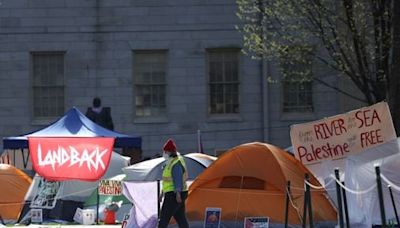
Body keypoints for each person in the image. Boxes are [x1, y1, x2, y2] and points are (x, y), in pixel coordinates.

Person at [158, 139, 189, 228]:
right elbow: (167, 180)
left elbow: (177, 178)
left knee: (164, 218)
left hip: (174, 194)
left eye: (165, 151)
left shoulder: (176, 163)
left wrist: (178, 193)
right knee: (180, 218)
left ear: (170, 152)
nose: (164, 153)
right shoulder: (170, 162)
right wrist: (162, 192)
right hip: (174, 193)